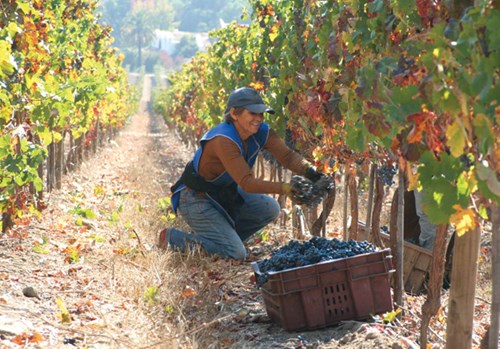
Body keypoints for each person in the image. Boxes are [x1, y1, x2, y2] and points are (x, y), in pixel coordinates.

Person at [158, 87, 328, 260]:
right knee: (236, 254)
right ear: (234, 113)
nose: (258, 119)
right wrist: (285, 188)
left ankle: (224, 242)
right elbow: (247, 182)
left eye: (261, 114)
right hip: (195, 198)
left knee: (271, 208)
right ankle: (173, 238)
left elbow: (287, 156)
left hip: (223, 192)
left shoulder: (261, 131)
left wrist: (312, 172)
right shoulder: (223, 140)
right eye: (253, 113)